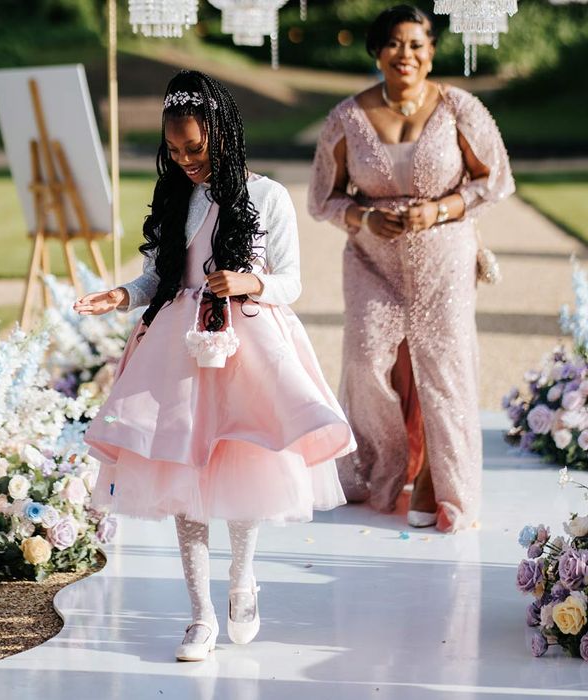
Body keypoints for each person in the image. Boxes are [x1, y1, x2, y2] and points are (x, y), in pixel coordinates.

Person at [74, 70, 355, 661]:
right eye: (174, 151)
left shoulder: (268, 196)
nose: (185, 161)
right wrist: (121, 295)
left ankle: (242, 579)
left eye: (194, 148)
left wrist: (248, 279)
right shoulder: (176, 197)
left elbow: (293, 282)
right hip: (181, 346)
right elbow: (157, 276)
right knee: (185, 474)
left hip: (247, 342)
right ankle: (199, 614)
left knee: (242, 462)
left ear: (222, 134)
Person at [308, 4, 514, 533]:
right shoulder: (346, 118)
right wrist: (364, 217)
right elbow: (321, 199)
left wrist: (439, 210)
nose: (406, 54)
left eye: (417, 44)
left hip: (443, 253)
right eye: (395, 44)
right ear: (377, 51)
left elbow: (494, 180)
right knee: (363, 359)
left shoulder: (458, 107)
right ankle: (387, 464)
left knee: (444, 366)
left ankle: (439, 480)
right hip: (372, 259)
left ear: (431, 53)